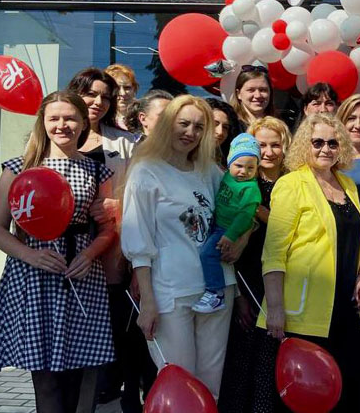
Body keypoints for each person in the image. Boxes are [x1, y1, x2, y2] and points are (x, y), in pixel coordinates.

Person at [0, 91, 116, 413]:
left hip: (81, 275)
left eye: (70, 118)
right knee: (46, 379)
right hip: (34, 276)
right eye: (54, 118)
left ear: (83, 123)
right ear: (43, 122)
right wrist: (30, 255)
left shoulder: (98, 171)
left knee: (81, 373)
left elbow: (108, 229)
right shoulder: (20, 168)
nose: (62, 125)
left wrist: (90, 254)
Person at [259, 113, 360, 412]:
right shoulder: (291, 184)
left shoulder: (348, 184)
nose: (325, 148)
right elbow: (274, 251)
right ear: (305, 145)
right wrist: (275, 308)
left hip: (346, 309)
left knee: (344, 395)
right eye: (317, 142)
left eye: (333, 143)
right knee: (304, 398)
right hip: (303, 312)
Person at [121, 95, 235, 398]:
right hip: (171, 292)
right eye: (183, 124)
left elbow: (241, 207)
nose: (190, 132)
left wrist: (242, 239)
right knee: (179, 385)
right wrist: (147, 301)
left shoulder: (209, 171)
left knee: (210, 387)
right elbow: (138, 241)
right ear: (168, 124)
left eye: (199, 127)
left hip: (217, 289)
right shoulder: (146, 171)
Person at [66, 68, 146, 410]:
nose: (98, 102)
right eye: (91, 94)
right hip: (65, 252)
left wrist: (117, 205)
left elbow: (143, 195)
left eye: (105, 97)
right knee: (69, 345)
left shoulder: (126, 142)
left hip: (112, 253)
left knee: (112, 341)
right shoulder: (55, 136)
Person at [218, 116, 291, 413]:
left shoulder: (293, 183)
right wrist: (238, 296)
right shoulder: (241, 180)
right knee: (239, 358)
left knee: (269, 360)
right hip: (244, 278)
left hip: (281, 281)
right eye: (262, 145)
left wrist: (259, 214)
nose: (269, 152)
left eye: (276, 145)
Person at [194, 133, 262, 314]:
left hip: (227, 229)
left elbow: (245, 216)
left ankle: (215, 293)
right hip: (216, 224)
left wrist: (230, 235)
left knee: (208, 254)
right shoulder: (227, 177)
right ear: (230, 163)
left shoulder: (250, 188)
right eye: (239, 165)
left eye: (250, 168)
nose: (243, 172)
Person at [207, 98, 241, 168]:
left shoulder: (228, 164)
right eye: (215, 124)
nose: (220, 132)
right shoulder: (186, 158)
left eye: (225, 127)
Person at [105, 64, 139, 132]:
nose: (123, 93)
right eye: (117, 88)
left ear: (134, 89)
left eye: (127, 88)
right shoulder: (101, 121)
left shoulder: (145, 117)